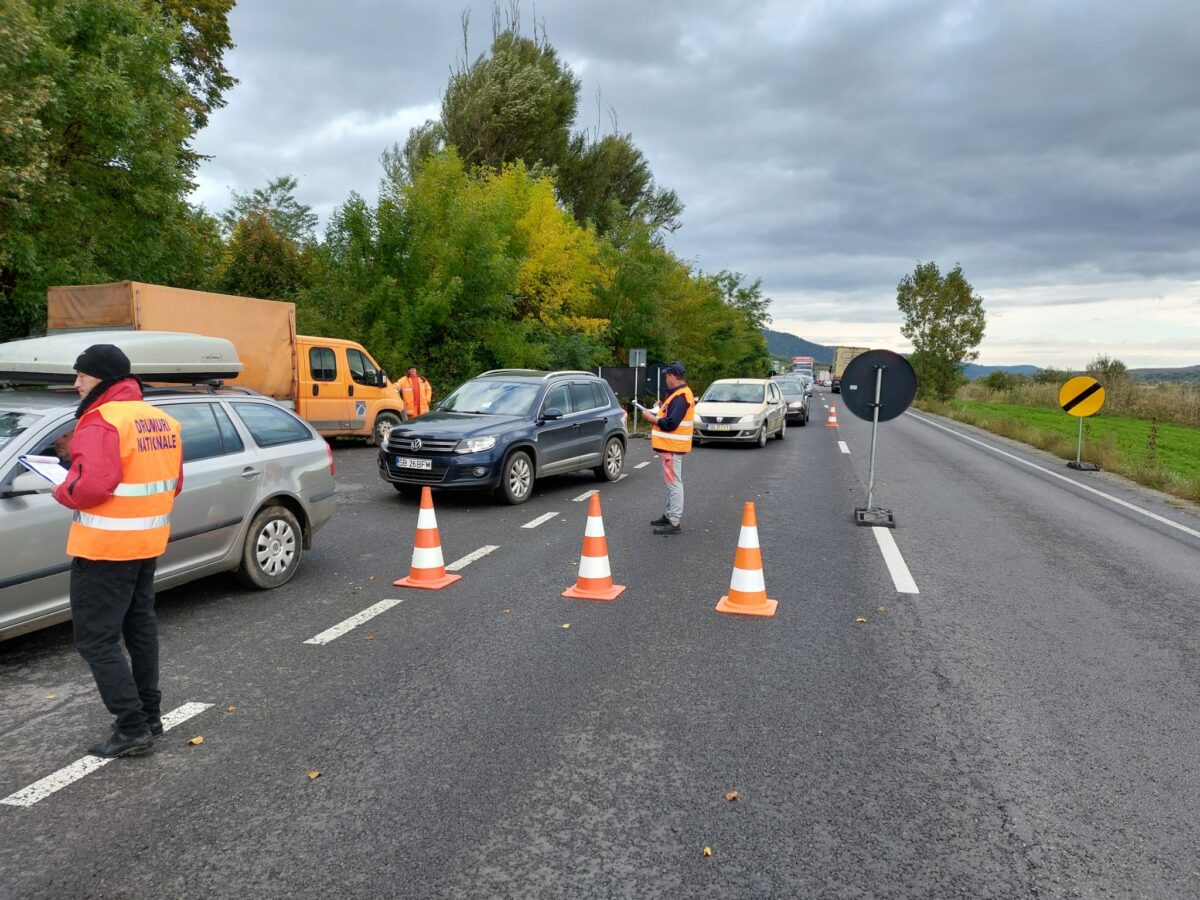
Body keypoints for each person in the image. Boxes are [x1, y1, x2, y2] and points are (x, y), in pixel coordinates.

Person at [52, 344, 184, 758]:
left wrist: (61, 486)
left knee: (96, 640)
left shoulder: (100, 421)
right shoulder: (162, 420)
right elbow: (174, 482)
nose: (76, 384)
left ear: (104, 379)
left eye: (82, 376)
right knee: (140, 631)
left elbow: (89, 488)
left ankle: (131, 728)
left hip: (105, 547)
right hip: (147, 543)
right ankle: (150, 715)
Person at [641, 361, 695, 535]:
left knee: (673, 483)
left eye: (666, 375)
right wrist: (658, 408)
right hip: (670, 447)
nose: (665, 378)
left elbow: (671, 423)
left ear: (672, 376)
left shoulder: (680, 397)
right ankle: (670, 515)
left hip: (672, 447)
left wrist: (651, 418)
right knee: (671, 482)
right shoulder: (677, 394)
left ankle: (674, 521)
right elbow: (668, 414)